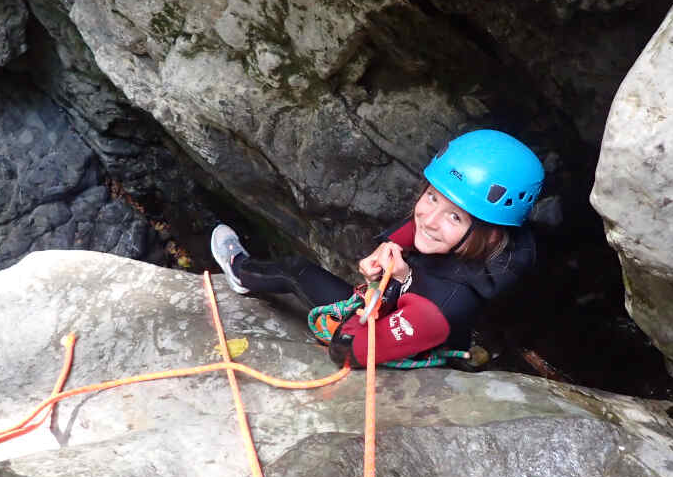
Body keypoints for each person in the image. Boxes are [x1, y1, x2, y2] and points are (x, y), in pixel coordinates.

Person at [210, 129, 544, 367]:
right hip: (437, 319)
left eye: (454, 216)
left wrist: (385, 291)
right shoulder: (504, 241)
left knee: (296, 270)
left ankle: (240, 271)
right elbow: (418, 227)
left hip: (415, 335)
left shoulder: (441, 308)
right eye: (432, 196)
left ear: (491, 235)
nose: (429, 220)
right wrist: (386, 249)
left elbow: (348, 351)